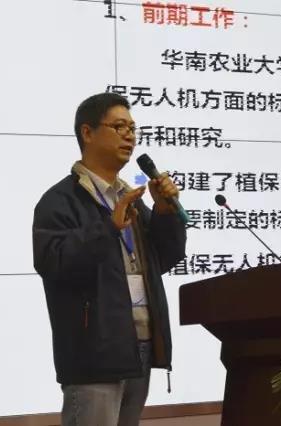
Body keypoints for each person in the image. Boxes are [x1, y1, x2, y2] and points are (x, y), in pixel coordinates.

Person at [32, 92, 187, 425]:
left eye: (132, 128)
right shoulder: (60, 201)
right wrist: (108, 227)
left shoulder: (130, 198)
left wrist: (164, 212)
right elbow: (53, 263)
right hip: (95, 355)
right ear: (87, 133)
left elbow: (164, 259)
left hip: (139, 346)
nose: (129, 135)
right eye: (119, 127)